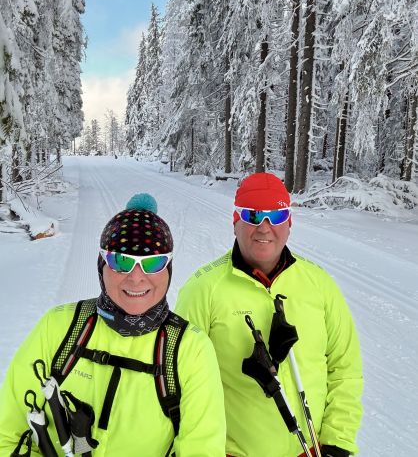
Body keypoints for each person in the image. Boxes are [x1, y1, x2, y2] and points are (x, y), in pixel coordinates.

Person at [0, 193, 226, 456]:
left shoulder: (191, 349)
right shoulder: (59, 327)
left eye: (153, 263)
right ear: (102, 265)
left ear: (169, 268)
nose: (136, 278)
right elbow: (8, 435)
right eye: (121, 261)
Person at [175, 172, 363, 457]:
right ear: (235, 221)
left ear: (289, 223)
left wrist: (338, 442)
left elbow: (345, 368)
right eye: (252, 215)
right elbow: (181, 381)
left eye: (275, 216)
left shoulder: (319, 284)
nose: (264, 228)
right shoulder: (203, 289)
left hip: (310, 450)